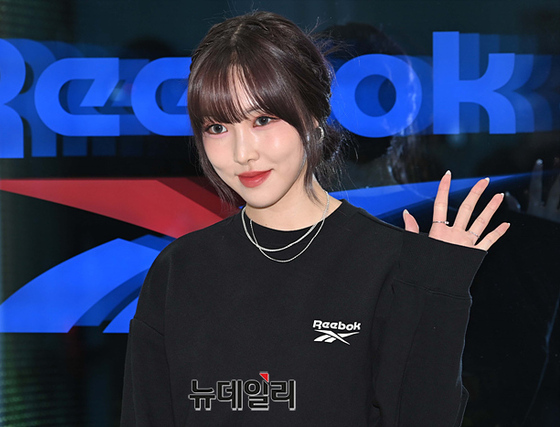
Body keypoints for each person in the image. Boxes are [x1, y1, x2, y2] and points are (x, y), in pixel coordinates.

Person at [120, 11, 510, 426]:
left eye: (263, 120)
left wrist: (439, 291)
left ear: (313, 117)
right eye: (217, 127)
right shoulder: (179, 271)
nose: (242, 153)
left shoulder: (391, 263)